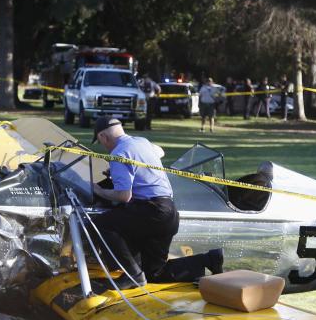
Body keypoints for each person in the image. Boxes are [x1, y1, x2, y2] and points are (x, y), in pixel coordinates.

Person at [90, 116, 223, 290]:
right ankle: (209, 259)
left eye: (100, 142)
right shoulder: (142, 142)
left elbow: (124, 196)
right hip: (169, 213)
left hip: (152, 212)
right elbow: (159, 151)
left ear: (103, 137)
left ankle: (132, 274)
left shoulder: (118, 154)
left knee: (101, 224)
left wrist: (98, 190)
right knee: (155, 273)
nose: (103, 146)